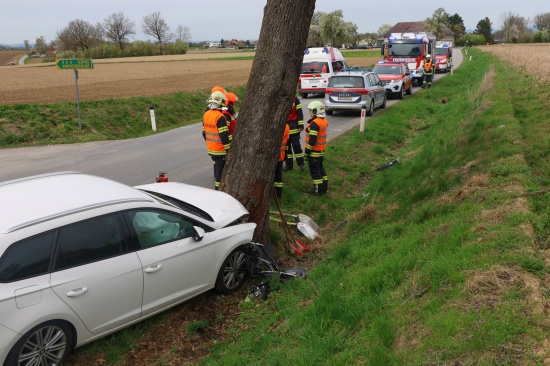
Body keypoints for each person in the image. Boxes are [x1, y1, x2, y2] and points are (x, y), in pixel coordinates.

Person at [202, 91, 231, 190]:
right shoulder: (220, 117)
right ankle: (217, 190)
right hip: (220, 149)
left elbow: (204, 133)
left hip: (211, 148)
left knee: (217, 167)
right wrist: (228, 150)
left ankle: (217, 187)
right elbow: (224, 136)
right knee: (220, 170)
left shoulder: (206, 115)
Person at [304, 101, 329, 196]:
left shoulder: (315, 123)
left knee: (315, 171)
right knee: (321, 169)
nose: (309, 112)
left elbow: (312, 140)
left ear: (315, 111)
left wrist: (306, 152)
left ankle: (317, 191)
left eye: (310, 110)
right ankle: (324, 188)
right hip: (320, 151)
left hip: (314, 152)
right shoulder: (323, 121)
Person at [283, 96, 305, 171]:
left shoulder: (295, 99)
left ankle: (301, 164)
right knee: (287, 148)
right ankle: (289, 166)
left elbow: (299, 112)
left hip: (294, 126)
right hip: (286, 126)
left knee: (296, 146)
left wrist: (301, 125)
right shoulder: (282, 98)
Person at [274, 124, 290, 198]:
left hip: (274, 156)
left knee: (275, 175)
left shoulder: (275, 125)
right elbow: (287, 142)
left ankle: (275, 194)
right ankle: (278, 194)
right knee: (278, 174)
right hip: (281, 154)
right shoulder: (286, 126)